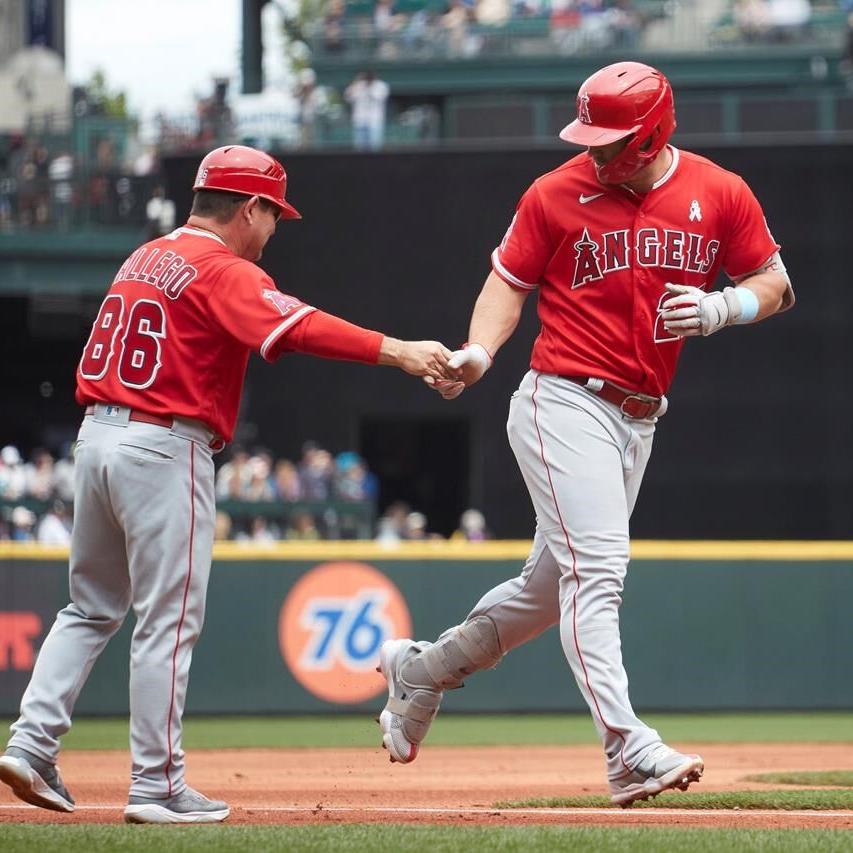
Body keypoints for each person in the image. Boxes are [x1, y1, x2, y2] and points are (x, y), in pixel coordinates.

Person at [376, 62, 794, 807]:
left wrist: (720, 309)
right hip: (561, 399)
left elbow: (775, 282)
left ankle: (420, 669)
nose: (597, 154)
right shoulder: (555, 191)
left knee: (544, 594)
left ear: (656, 131)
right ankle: (625, 746)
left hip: (638, 419)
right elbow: (508, 280)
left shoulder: (717, 189)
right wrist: (478, 352)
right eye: (590, 138)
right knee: (598, 572)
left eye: (613, 141)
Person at [0, 145, 456, 824]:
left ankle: (32, 742)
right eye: (273, 214)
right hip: (163, 443)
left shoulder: (144, 256)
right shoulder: (221, 267)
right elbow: (298, 326)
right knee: (168, 620)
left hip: (96, 437)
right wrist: (399, 350)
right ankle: (156, 784)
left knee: (90, 606)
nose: (275, 229)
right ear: (249, 208)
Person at [345, 71, 390, 151]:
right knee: (359, 148)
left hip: (374, 121)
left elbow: (378, 98)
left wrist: (369, 87)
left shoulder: (380, 85)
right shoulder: (358, 85)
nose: (368, 80)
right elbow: (348, 97)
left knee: (375, 147)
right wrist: (355, 82)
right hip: (359, 120)